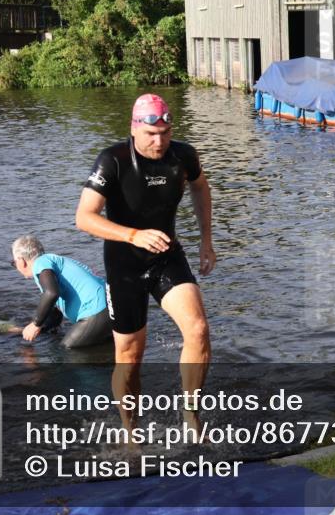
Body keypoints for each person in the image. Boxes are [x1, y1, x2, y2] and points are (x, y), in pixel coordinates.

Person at [76, 93, 214, 433]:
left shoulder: (183, 155)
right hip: (124, 266)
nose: (160, 140)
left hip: (166, 255)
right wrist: (133, 235)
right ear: (134, 129)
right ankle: (130, 431)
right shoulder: (113, 160)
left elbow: (200, 187)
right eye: (152, 134)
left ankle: (191, 417)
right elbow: (84, 217)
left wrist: (206, 240)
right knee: (129, 358)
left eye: (166, 132)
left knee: (197, 330)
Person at [11, 235, 113, 349]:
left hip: (96, 310)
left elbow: (51, 293)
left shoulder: (40, 263)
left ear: (21, 261)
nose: (16, 266)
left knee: (66, 350)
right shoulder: (52, 261)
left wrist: (35, 324)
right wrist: (43, 328)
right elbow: (54, 310)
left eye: (14, 263)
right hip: (110, 305)